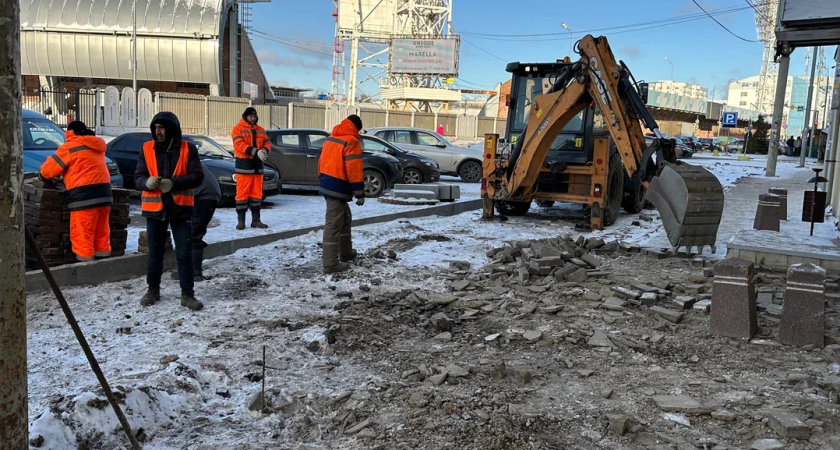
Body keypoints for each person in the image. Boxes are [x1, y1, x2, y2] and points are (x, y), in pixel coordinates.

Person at [135, 112, 205, 310]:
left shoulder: (188, 149)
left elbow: (197, 176)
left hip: (180, 209)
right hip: (154, 209)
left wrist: (173, 183)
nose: (158, 132)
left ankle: (187, 294)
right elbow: (138, 177)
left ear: (171, 129)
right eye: (155, 128)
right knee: (154, 253)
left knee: (183, 253)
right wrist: (146, 182)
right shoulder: (146, 148)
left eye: (162, 128)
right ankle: (153, 290)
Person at [39, 121, 112, 262]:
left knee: (82, 236)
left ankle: (85, 268)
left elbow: (48, 170)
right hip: (104, 195)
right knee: (101, 234)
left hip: (83, 197)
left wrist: (43, 177)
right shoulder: (97, 145)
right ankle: (104, 265)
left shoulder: (69, 147)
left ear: (70, 133)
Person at [318, 114, 365, 274]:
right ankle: (330, 264)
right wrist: (359, 192)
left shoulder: (332, 137)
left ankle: (345, 253)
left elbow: (321, 161)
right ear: (356, 128)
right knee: (333, 223)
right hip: (338, 185)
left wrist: (322, 178)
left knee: (344, 218)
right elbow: (354, 168)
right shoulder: (351, 141)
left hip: (327, 182)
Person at [171, 161, 220, 282]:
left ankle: (194, 273)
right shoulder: (189, 159)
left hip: (203, 195)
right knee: (195, 232)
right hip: (210, 195)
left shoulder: (176, 163)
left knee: (193, 234)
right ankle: (193, 271)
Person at [231, 107, 271, 230]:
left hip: (257, 168)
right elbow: (239, 145)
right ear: (245, 116)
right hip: (244, 168)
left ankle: (256, 220)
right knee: (242, 195)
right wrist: (256, 152)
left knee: (257, 195)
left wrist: (264, 150)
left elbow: (267, 143)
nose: (253, 118)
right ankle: (241, 221)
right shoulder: (237, 129)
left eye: (254, 116)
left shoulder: (261, 130)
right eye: (250, 116)